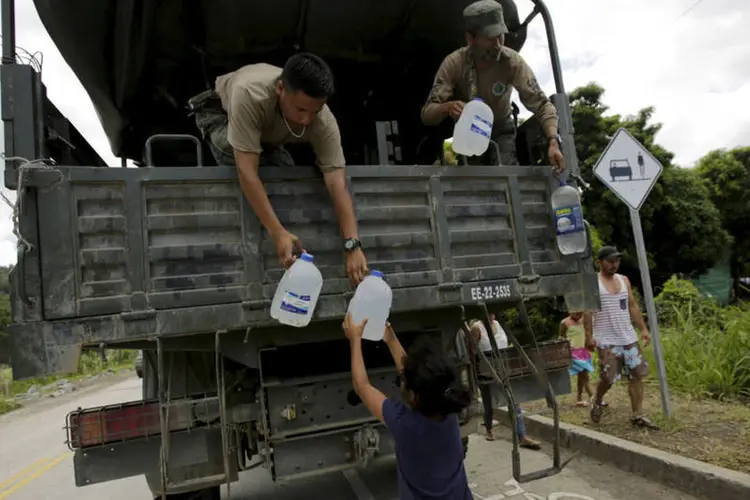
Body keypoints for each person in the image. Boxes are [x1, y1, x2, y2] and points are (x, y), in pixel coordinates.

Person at [188, 53, 368, 286]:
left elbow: (337, 182)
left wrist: (352, 244)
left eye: (315, 111)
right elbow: (247, 172)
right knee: (245, 161)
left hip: (266, 134)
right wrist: (277, 232)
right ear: (281, 89)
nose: (306, 120)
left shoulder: (322, 120)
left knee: (285, 173)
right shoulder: (250, 93)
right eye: (301, 109)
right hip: (222, 115)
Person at [421, 0, 564, 172]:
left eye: (500, 35)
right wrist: (447, 107)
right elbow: (427, 114)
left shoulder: (512, 61)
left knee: (507, 175)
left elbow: (541, 104)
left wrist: (553, 141)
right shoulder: (454, 63)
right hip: (470, 130)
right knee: (471, 182)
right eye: (490, 38)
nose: (497, 44)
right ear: (470, 38)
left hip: (502, 129)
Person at [343, 315, 473, 500]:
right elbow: (418, 377)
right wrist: (390, 338)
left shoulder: (405, 425)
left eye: (404, 380)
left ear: (414, 396)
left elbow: (362, 386)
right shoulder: (448, 412)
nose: (402, 378)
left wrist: (355, 340)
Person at [584, 246, 659, 429]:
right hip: (606, 339)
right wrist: (589, 336)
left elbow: (632, 306)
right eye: (610, 261)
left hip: (628, 337)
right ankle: (597, 399)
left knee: (636, 376)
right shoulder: (593, 283)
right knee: (608, 378)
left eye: (617, 261)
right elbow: (588, 312)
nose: (614, 264)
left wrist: (643, 329)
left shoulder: (624, 280)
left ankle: (637, 414)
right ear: (599, 262)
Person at [467, 317, 540, 449]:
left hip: (504, 368)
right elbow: (471, 352)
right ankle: (489, 429)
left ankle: (522, 436)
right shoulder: (476, 328)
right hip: (485, 371)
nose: (491, 314)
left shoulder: (499, 324)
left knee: (514, 400)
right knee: (488, 402)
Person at [559, 311, 595, 407]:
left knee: (581, 376)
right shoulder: (564, 322)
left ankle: (579, 399)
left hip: (583, 352)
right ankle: (594, 399)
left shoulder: (584, 321)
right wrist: (564, 347)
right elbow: (561, 337)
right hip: (573, 353)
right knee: (585, 375)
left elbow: (588, 334)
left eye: (580, 314)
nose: (578, 315)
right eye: (576, 313)